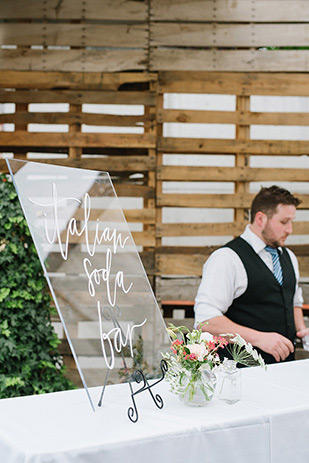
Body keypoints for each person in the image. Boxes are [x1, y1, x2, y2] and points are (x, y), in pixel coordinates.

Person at [194, 185, 309, 364]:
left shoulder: (289, 257)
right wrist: (259, 338)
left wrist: (303, 330)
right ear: (261, 219)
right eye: (284, 222)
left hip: (284, 371)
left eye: (291, 222)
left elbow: (294, 303)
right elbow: (206, 321)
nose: (290, 230)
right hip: (241, 374)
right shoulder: (227, 258)